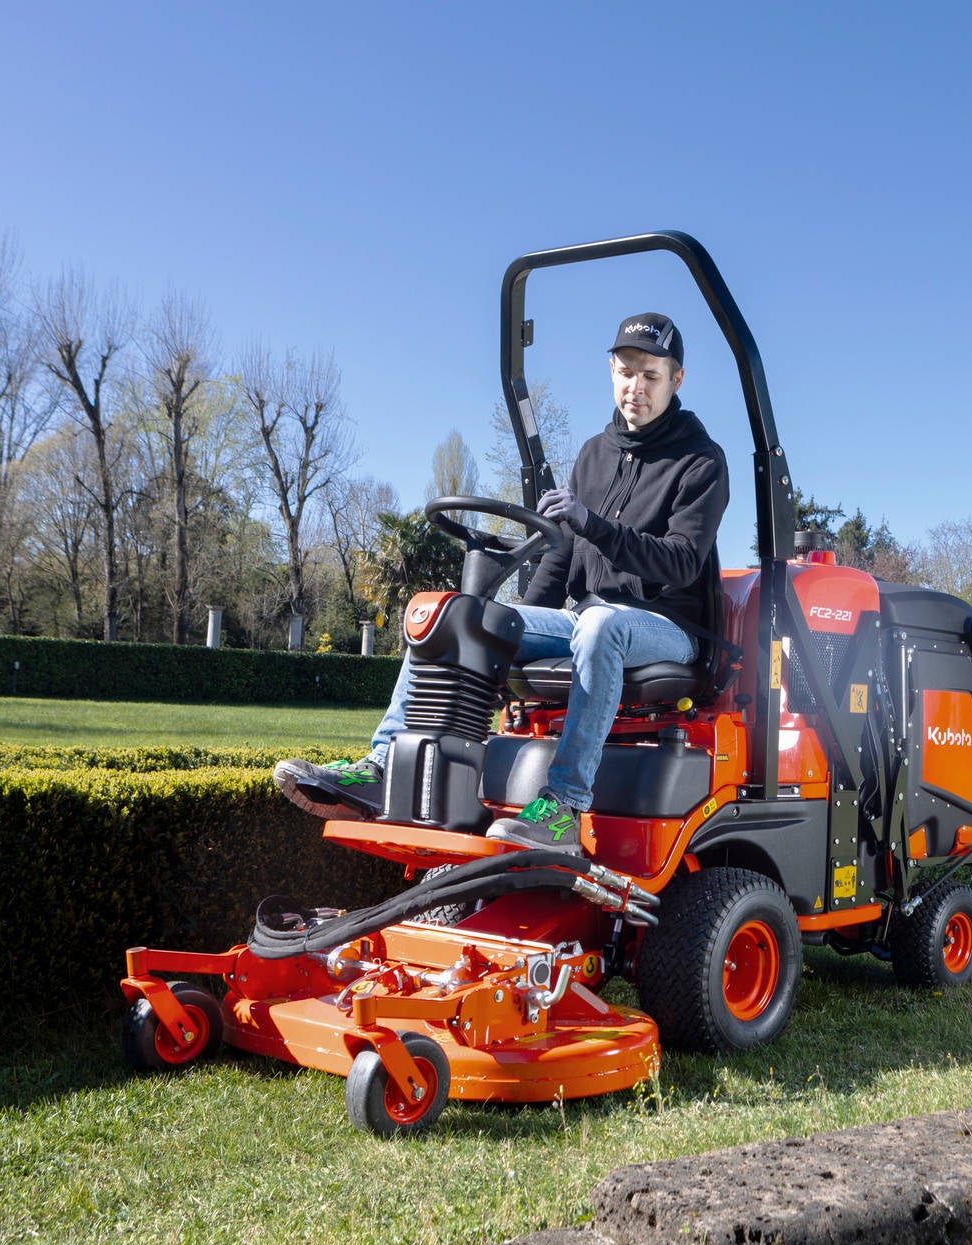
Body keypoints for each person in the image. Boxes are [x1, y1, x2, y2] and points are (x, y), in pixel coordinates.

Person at [273, 312, 729, 849]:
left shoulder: (701, 461)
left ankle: (562, 808)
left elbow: (679, 561)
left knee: (602, 624)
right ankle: (380, 766)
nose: (636, 387)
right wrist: (505, 626)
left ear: (676, 380)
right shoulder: (594, 454)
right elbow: (562, 557)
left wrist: (593, 525)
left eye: (651, 376)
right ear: (611, 370)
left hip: (667, 626)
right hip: (586, 619)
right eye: (627, 371)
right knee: (454, 615)